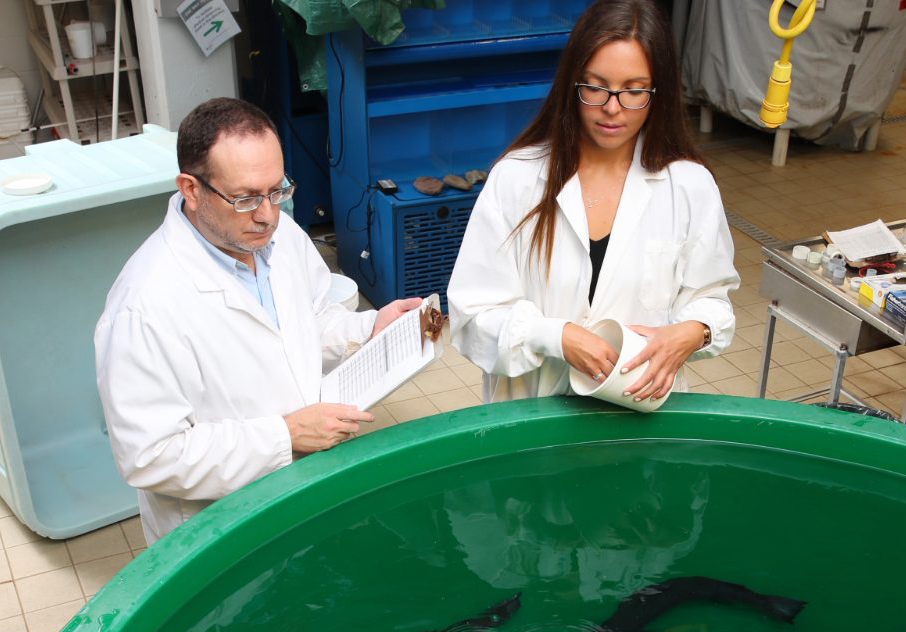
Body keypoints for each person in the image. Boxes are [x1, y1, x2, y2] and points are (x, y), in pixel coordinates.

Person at [95, 98, 421, 544]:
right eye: (245, 198)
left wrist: (368, 329)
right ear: (190, 189)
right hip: (223, 528)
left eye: (278, 190)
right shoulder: (145, 306)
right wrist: (284, 435)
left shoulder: (278, 236)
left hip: (306, 494)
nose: (268, 214)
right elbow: (149, 456)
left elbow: (310, 322)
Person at [446, 0, 739, 403]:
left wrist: (694, 331)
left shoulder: (689, 186)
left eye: (634, 91)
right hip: (534, 421)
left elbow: (711, 298)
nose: (612, 108)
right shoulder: (517, 178)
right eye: (596, 87)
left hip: (637, 412)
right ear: (572, 83)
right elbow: (471, 316)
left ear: (660, 92)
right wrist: (556, 336)